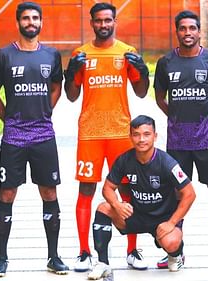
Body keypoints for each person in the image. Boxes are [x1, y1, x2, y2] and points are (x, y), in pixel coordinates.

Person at [64, 2, 150, 272]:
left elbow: (141, 92)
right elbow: (71, 95)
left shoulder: (127, 52)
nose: (103, 25)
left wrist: (143, 70)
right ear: (91, 23)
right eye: (98, 21)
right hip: (90, 133)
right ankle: (84, 252)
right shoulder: (81, 53)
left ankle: (132, 250)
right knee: (86, 190)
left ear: (115, 22)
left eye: (108, 20)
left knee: (127, 190)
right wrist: (70, 72)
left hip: (121, 134)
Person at [0, 2, 68, 276]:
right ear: (18, 22)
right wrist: (7, 118)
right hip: (14, 137)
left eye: (35, 18)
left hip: (44, 135)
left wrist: (47, 109)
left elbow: (57, 86)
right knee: (7, 193)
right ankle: (1, 257)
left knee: (49, 193)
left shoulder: (52, 55)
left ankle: (54, 256)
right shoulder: (4, 55)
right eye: (26, 18)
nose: (30, 22)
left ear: (41, 22)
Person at [154, 10, 208, 270]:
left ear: (199, 31)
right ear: (176, 32)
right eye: (183, 28)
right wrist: (176, 118)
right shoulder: (166, 63)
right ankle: (176, 251)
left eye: (192, 28)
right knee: (177, 195)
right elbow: (159, 98)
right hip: (178, 142)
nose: (187, 33)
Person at [87, 115, 196, 280]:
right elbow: (107, 188)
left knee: (171, 242)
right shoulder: (124, 160)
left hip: (163, 219)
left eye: (146, 134)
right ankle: (103, 264)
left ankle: (176, 255)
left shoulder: (167, 163)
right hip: (137, 215)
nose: (141, 139)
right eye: (136, 134)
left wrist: (172, 223)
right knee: (104, 208)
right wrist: (117, 204)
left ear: (155, 136)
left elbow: (190, 193)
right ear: (130, 137)